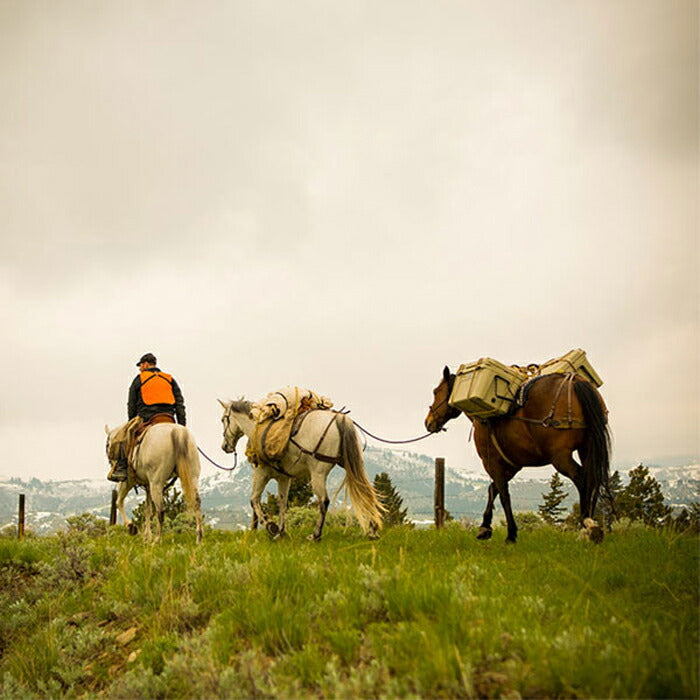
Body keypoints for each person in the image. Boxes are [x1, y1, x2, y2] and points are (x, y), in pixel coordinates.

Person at [108, 353, 187, 482]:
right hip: (169, 418)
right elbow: (179, 403)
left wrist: (131, 421)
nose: (140, 368)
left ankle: (121, 468)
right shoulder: (170, 379)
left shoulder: (140, 378)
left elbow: (131, 403)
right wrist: (182, 426)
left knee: (121, 437)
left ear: (145, 364)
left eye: (140, 365)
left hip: (147, 417)